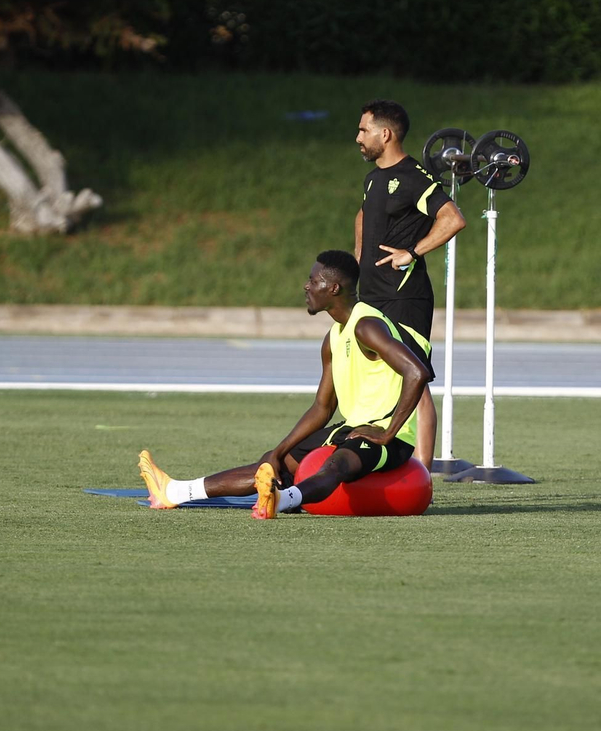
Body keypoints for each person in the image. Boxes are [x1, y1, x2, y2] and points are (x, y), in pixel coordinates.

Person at [139, 250, 433, 519]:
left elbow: (416, 372)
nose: (306, 286)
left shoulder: (367, 325)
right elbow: (322, 408)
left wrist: (388, 432)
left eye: (313, 281)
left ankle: (280, 501)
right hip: (352, 428)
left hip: (390, 439)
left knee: (337, 465)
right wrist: (279, 451)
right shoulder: (333, 338)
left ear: (333, 289)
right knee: (271, 465)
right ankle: (175, 491)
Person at [352, 99, 466, 469]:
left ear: (385, 134)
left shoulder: (414, 177)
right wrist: (359, 257)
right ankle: (388, 462)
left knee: (414, 380)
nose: (358, 138)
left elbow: (453, 218)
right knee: (383, 378)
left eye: (364, 130)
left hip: (404, 296)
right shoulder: (374, 178)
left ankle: (423, 474)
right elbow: (363, 213)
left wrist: (412, 252)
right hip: (371, 295)